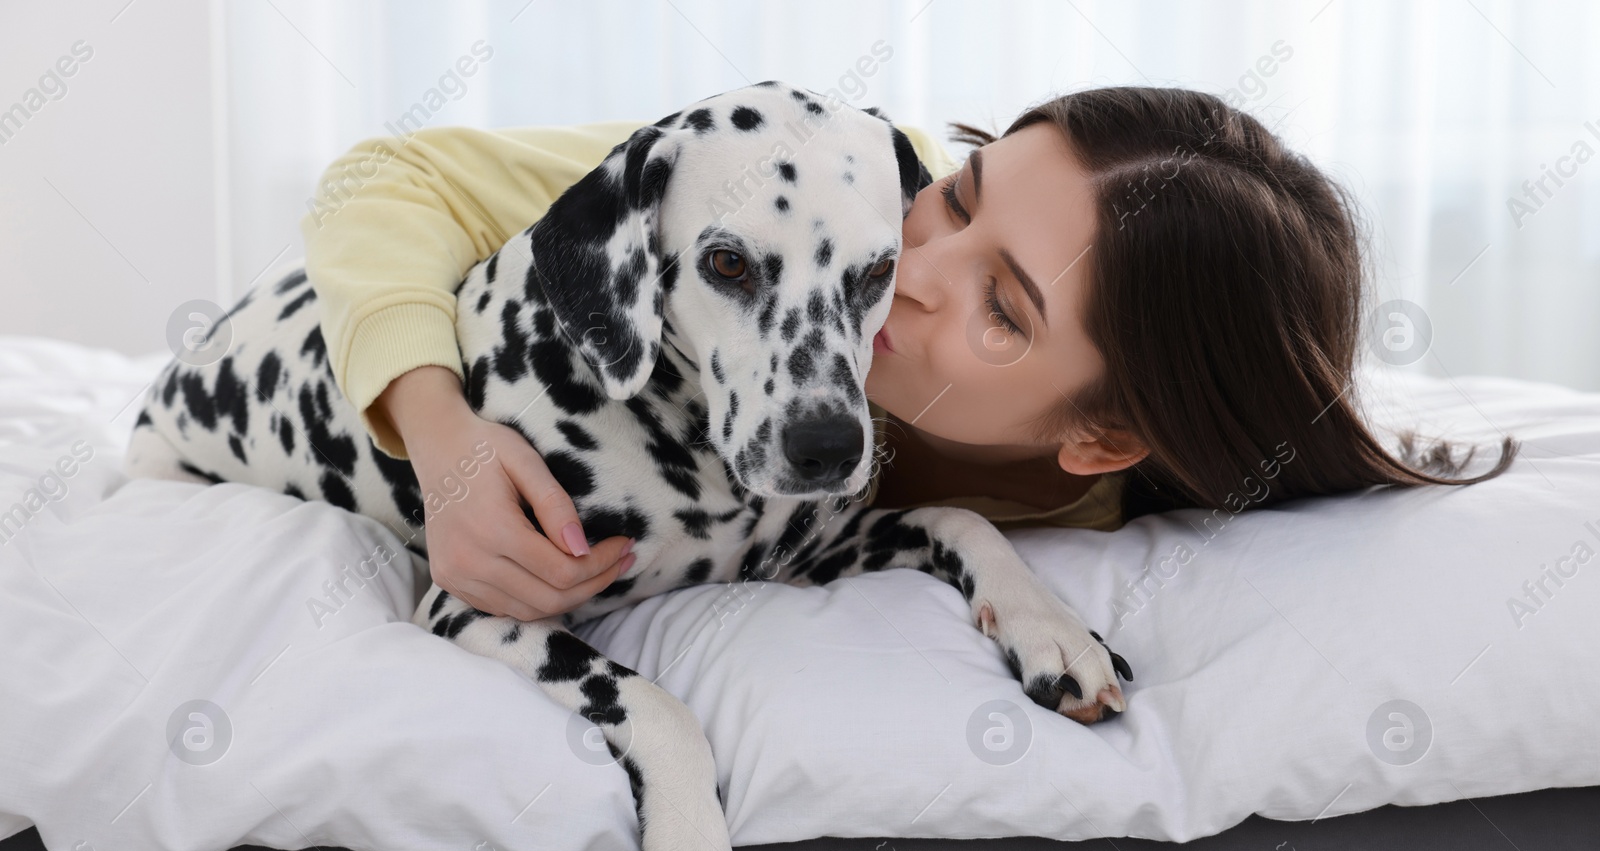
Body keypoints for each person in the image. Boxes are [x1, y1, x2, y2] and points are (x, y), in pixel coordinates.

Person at [301, 86, 1516, 624]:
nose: (910, 269)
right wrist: (441, 437)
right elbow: (386, 175)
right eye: (961, 196)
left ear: (1098, 439)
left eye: (1004, 308)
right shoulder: (821, 182)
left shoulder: (1094, 510)